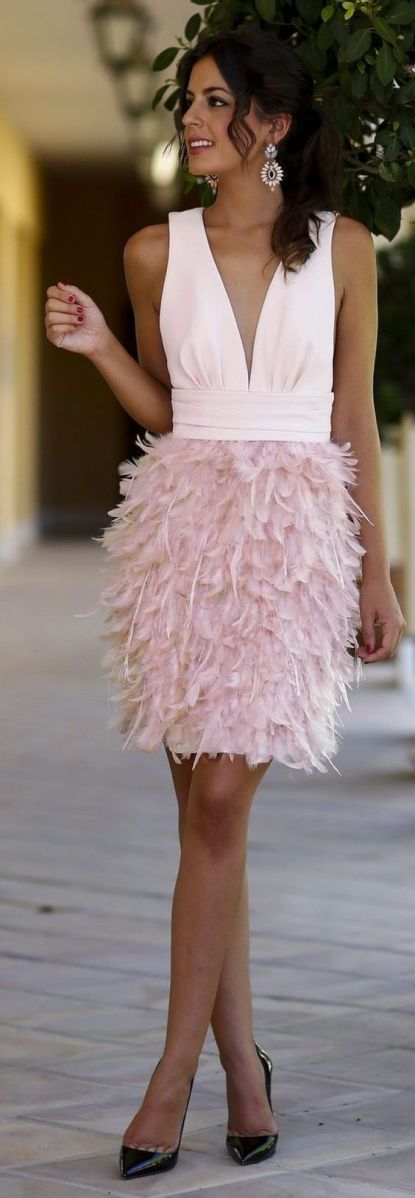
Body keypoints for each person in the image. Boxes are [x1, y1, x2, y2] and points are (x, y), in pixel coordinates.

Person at [44, 23, 405, 1181]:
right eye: (189, 102)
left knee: (215, 807)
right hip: (182, 546)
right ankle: (245, 1069)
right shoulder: (156, 251)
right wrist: (102, 345)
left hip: (292, 545)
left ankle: (171, 1079)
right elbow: (168, 410)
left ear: (273, 125)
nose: (192, 119)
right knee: (211, 826)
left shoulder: (344, 248)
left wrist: (375, 569)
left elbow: (352, 419)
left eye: (214, 102)